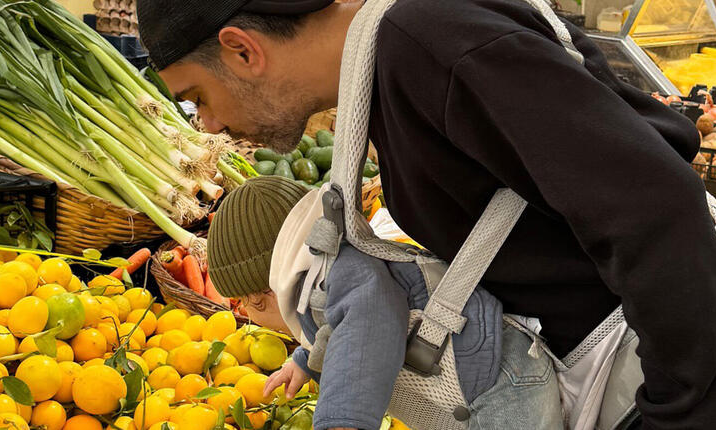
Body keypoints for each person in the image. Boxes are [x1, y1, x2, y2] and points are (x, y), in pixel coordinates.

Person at [137, 0, 716, 429]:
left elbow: (654, 205)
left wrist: (679, 413)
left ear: (242, 50)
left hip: (715, 359)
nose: (210, 126)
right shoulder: (386, 65)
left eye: (196, 97)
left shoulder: (432, 42)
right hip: (664, 360)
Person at [206, 175, 563, 430]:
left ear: (264, 294)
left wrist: (342, 420)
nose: (245, 315)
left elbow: (368, 327)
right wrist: (304, 362)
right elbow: (338, 327)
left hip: (501, 387)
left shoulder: (341, 273)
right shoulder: (320, 274)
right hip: (479, 380)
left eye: (243, 305)